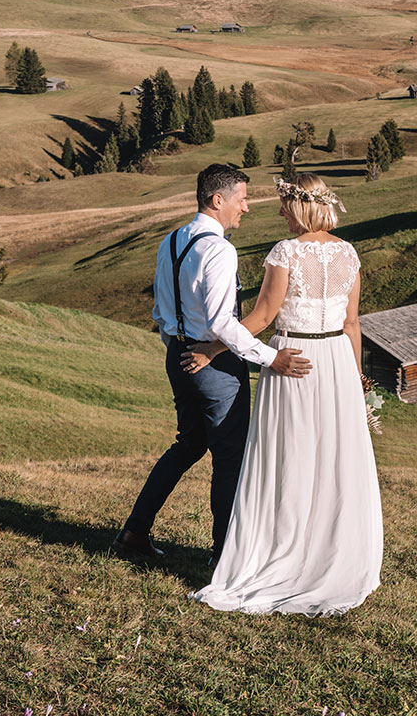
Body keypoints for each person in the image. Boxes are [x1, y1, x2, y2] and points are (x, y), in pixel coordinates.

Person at [186, 172, 383, 615]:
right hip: (335, 361)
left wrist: (213, 348)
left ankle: (284, 553)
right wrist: (355, 380)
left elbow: (260, 317)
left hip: (293, 362)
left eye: (282, 205)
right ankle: (329, 556)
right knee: (332, 459)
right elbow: (353, 324)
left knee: (290, 457)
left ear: (298, 206)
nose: (277, 212)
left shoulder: (286, 252)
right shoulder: (349, 253)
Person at [113, 164, 312, 562]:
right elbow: (223, 323)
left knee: (187, 445)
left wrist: (180, 346)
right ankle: (224, 554)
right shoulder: (219, 249)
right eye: (242, 198)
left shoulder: (170, 241)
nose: (247, 208)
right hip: (213, 367)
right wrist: (271, 358)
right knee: (229, 456)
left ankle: (134, 533)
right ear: (217, 200)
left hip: (178, 357)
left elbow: (160, 309)